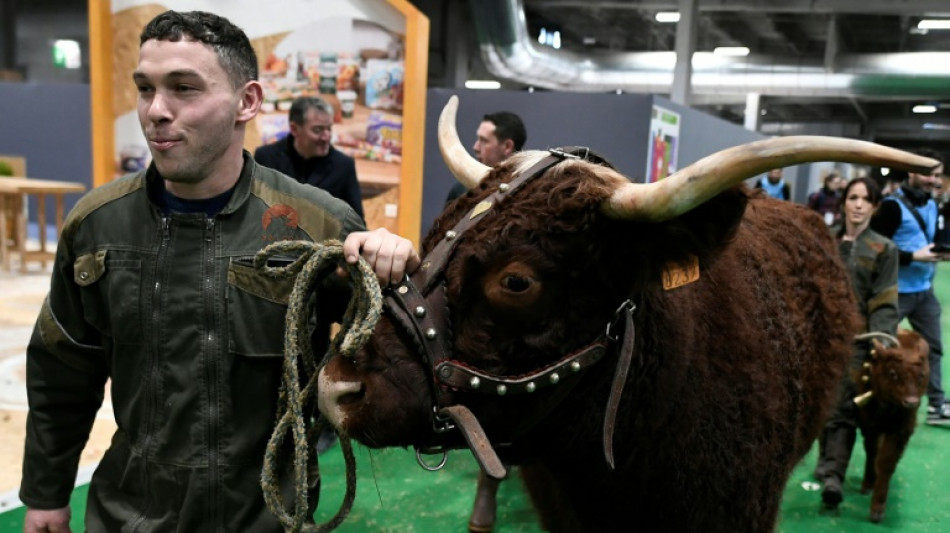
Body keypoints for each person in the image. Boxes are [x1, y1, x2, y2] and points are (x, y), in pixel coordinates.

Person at [19, 10, 419, 532]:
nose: (156, 111)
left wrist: (398, 275)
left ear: (246, 102)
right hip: (130, 515)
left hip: (266, 519)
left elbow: (395, 361)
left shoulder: (319, 224)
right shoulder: (97, 226)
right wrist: (47, 494)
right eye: (145, 88)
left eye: (183, 88)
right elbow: (61, 373)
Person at [814, 177, 899, 508]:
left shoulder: (884, 249)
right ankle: (825, 462)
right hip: (821, 338)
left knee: (844, 407)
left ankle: (833, 475)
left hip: (858, 341)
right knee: (822, 403)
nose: (858, 204)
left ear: (875, 207)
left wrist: (881, 338)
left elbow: (884, 299)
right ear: (844, 202)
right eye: (853, 197)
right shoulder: (825, 242)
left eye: (866, 199)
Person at [870, 148, 950, 425]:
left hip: (924, 291)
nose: (934, 181)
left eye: (938, 175)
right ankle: (866, 398)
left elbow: (931, 238)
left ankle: (936, 405)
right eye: (929, 174)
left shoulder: (932, 204)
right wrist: (913, 257)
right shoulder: (891, 206)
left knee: (934, 349)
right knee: (877, 348)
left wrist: (941, 251)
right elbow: (875, 247)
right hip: (894, 293)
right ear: (912, 172)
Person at [254, 95, 365, 220]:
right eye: (318, 130)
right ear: (294, 129)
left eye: (329, 129)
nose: (326, 137)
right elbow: (254, 211)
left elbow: (356, 223)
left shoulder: (343, 166)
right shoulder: (266, 158)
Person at [445, 110, 526, 205]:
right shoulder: (461, 191)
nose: (475, 147)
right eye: (478, 139)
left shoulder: (528, 191)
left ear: (507, 147)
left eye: (484, 140)